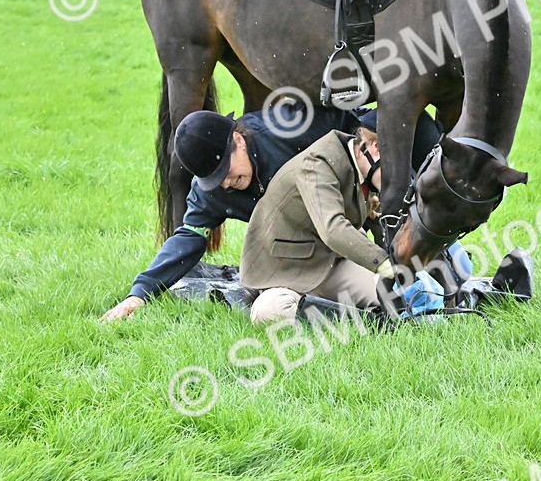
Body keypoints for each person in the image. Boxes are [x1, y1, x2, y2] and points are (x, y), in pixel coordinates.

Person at [99, 103, 441, 321]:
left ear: (238, 139)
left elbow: (350, 126)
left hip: (342, 243)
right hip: (286, 271)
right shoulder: (213, 190)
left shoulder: (290, 127)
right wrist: (141, 292)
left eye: (228, 172)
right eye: (217, 180)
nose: (227, 184)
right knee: (270, 312)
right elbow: (189, 238)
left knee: (408, 293)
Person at [242, 126, 393, 323]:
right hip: (287, 270)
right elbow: (333, 229)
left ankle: (342, 314)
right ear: (375, 148)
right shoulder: (318, 162)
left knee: (390, 300)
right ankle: (345, 318)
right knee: (267, 312)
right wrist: (384, 263)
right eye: (393, 168)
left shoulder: (360, 167)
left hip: (331, 262)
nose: (395, 178)